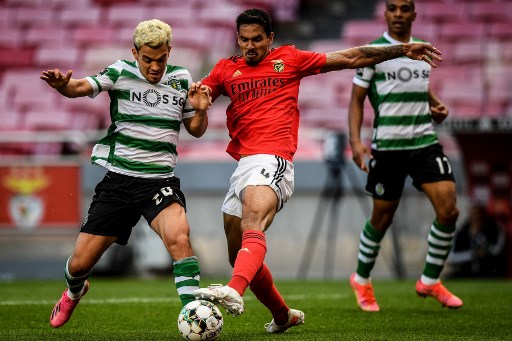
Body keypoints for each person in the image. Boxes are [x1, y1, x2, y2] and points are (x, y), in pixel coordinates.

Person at [191, 7, 443, 333]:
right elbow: (197, 128)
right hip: (244, 166)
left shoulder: (290, 59)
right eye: (244, 40)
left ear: (270, 38)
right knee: (237, 252)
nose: (250, 46)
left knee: (254, 223)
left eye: (257, 39)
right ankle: (283, 316)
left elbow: (351, 57)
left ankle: (234, 290)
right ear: (237, 39)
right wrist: (198, 111)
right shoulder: (225, 70)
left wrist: (403, 49)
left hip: (274, 160)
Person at [40, 19, 211, 328]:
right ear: (135, 52)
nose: (155, 66)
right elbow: (79, 87)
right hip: (119, 181)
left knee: (180, 238)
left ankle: (193, 314)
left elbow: (196, 131)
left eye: (161, 59)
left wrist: (200, 110)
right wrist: (63, 85)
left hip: (160, 181)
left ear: (169, 52)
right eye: (147, 59)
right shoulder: (120, 72)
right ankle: (74, 291)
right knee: (79, 264)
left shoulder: (182, 79)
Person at [347, 0, 463, 312]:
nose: (399, 14)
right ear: (386, 14)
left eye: (404, 8)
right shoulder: (373, 52)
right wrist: (356, 140)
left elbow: (420, 86)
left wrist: (437, 105)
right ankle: (361, 278)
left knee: (449, 210)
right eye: (393, 8)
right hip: (388, 147)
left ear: (414, 14)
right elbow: (357, 99)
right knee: (381, 218)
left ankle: (429, 280)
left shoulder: (422, 50)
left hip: (424, 143)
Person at [448, 203, 507, 278]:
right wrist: (472, 254)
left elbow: (497, 250)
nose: (475, 218)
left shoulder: (493, 230)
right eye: (473, 215)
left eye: (478, 215)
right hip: (466, 272)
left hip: (490, 272)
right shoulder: (462, 233)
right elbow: (452, 258)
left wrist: (479, 237)